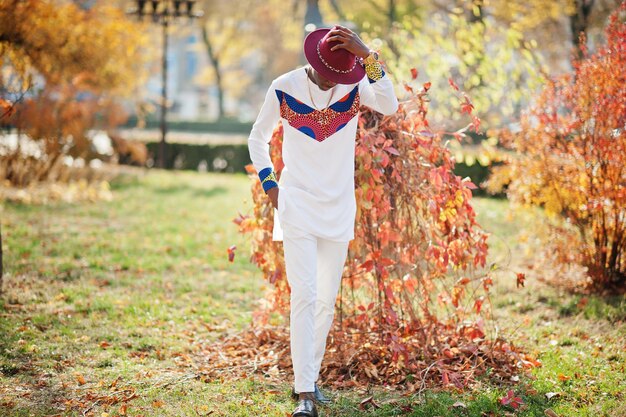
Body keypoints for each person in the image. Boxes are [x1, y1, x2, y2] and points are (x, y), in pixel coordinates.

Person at [247, 25, 398, 417]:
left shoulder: (354, 84)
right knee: (305, 294)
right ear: (314, 65)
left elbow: (389, 103)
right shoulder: (284, 87)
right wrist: (271, 187)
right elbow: (257, 138)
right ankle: (304, 396)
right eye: (331, 76)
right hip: (295, 204)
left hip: (338, 206)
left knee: (326, 301)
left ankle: (310, 376)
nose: (338, 84)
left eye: (344, 76)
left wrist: (368, 58)